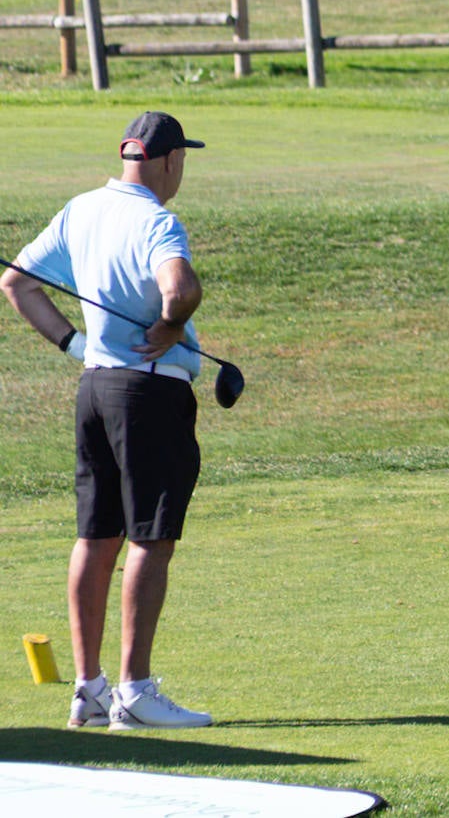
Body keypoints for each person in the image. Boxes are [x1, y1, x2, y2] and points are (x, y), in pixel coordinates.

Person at [0, 111, 214, 729]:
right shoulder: (157, 219)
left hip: (93, 388)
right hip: (148, 395)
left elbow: (16, 284)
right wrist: (172, 324)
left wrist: (74, 345)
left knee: (96, 536)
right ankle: (135, 692)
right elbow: (181, 288)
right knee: (151, 536)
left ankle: (89, 691)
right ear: (170, 160)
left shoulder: (81, 208)